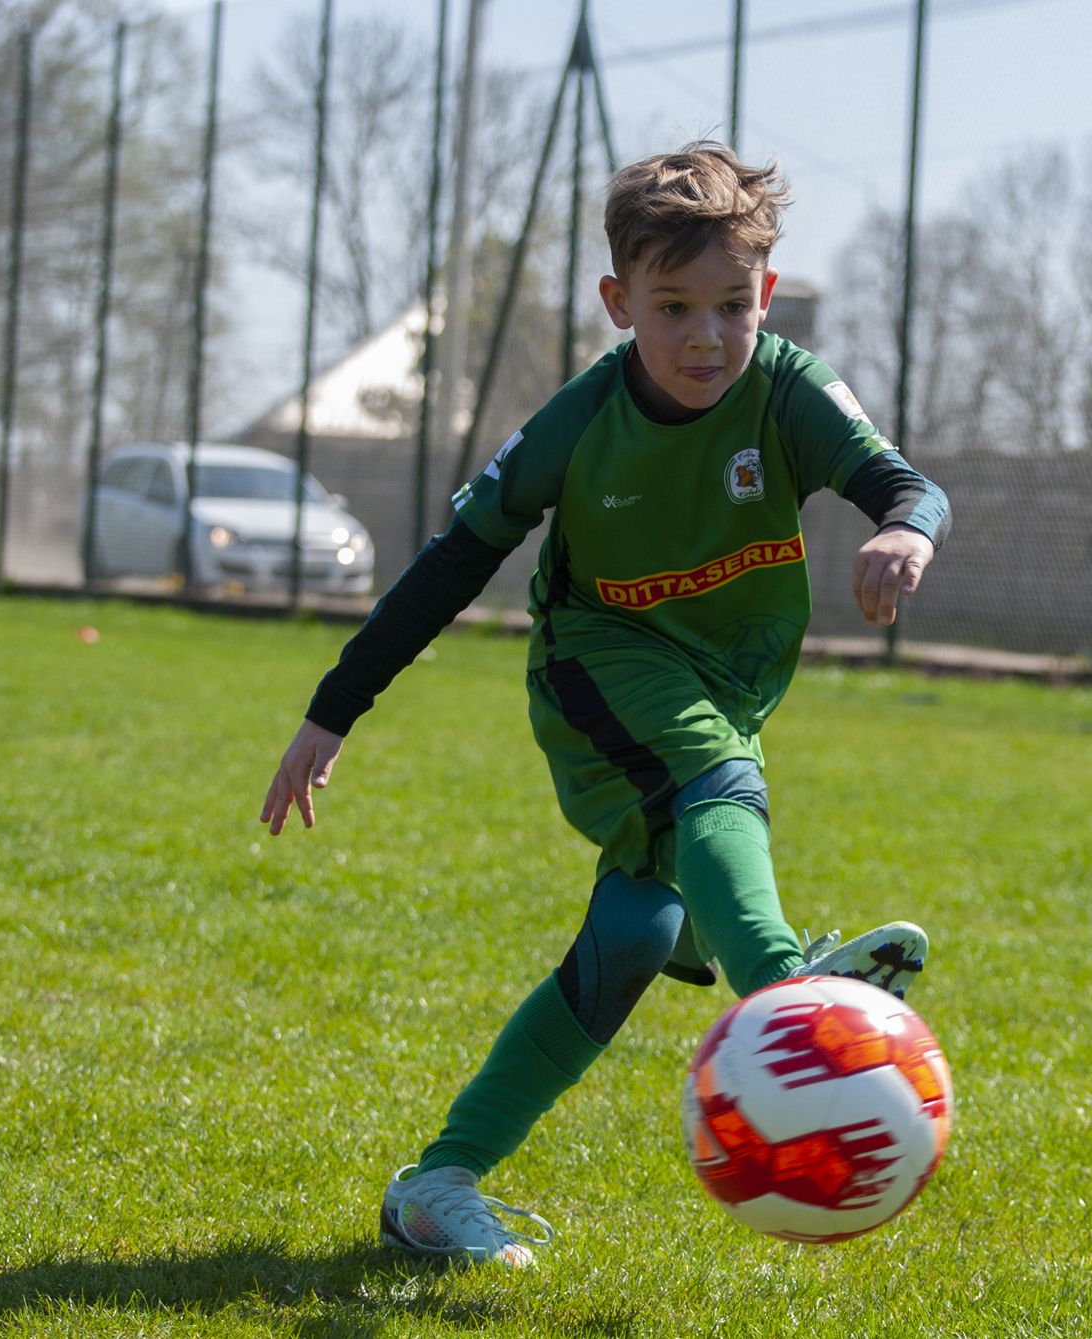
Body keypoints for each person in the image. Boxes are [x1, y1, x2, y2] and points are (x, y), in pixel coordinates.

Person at [259, 143, 952, 1267]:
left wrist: (903, 530)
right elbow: (450, 563)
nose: (704, 336)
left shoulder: (785, 386)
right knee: (714, 786)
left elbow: (904, 483)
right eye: (671, 308)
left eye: (730, 306)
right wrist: (334, 707)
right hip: (597, 671)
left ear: (764, 296)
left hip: (725, 687)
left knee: (631, 938)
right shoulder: (580, 424)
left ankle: (436, 1184)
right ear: (617, 301)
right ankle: (788, 995)